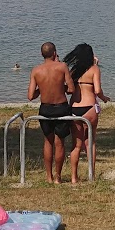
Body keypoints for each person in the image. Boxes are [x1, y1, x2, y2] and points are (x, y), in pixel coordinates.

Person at [28, 43, 75, 184]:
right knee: (59, 143)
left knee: (48, 141)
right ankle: (58, 177)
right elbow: (71, 89)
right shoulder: (62, 67)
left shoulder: (36, 70)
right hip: (61, 107)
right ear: (55, 53)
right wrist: (61, 87)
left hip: (45, 109)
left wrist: (42, 89)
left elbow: (30, 96)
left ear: (42, 54)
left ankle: (48, 177)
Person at [66, 43, 110, 183]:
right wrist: (103, 98)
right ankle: (91, 175)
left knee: (76, 145)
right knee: (90, 142)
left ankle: (74, 177)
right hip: (89, 107)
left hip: (74, 108)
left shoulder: (73, 71)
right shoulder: (94, 69)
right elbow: (97, 90)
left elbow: (68, 90)